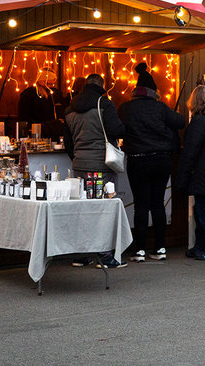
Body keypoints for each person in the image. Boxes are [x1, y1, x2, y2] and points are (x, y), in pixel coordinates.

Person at [118, 63, 185, 262]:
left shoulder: (126, 108)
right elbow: (180, 122)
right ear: (153, 92)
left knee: (140, 204)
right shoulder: (160, 107)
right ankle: (160, 248)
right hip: (161, 159)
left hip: (138, 160)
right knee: (157, 204)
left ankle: (139, 250)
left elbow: (118, 128)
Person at [63, 73, 127, 268]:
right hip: (102, 165)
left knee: (82, 209)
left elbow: (68, 143)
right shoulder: (104, 104)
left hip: (80, 166)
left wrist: (78, 157)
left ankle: (81, 255)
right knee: (103, 209)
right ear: (102, 86)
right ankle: (105, 256)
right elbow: (117, 130)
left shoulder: (70, 108)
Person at [176, 85, 205, 261]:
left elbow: (191, 152)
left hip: (201, 173)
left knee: (204, 210)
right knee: (204, 208)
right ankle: (202, 246)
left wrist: (182, 177)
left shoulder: (198, 123)